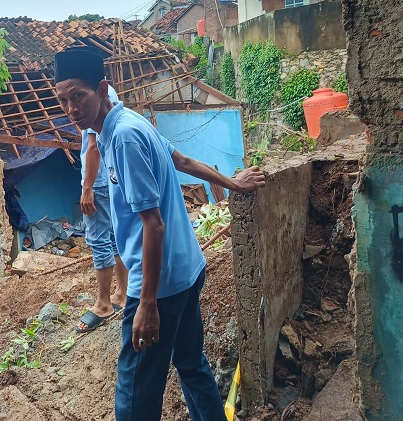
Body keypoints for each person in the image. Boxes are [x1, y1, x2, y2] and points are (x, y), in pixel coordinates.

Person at [54, 48, 265, 421]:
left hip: (158, 285)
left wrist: (147, 303)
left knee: (135, 392)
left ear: (102, 89)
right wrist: (233, 183)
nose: (72, 108)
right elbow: (181, 160)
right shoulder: (122, 125)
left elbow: (154, 224)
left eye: (79, 96)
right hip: (187, 269)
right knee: (191, 364)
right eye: (63, 100)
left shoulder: (125, 137)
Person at [76, 84, 129, 333]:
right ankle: (122, 293)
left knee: (98, 239)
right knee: (115, 237)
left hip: (97, 182)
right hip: (110, 177)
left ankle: (104, 304)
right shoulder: (110, 95)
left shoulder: (89, 100)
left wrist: (87, 188)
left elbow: (93, 145)